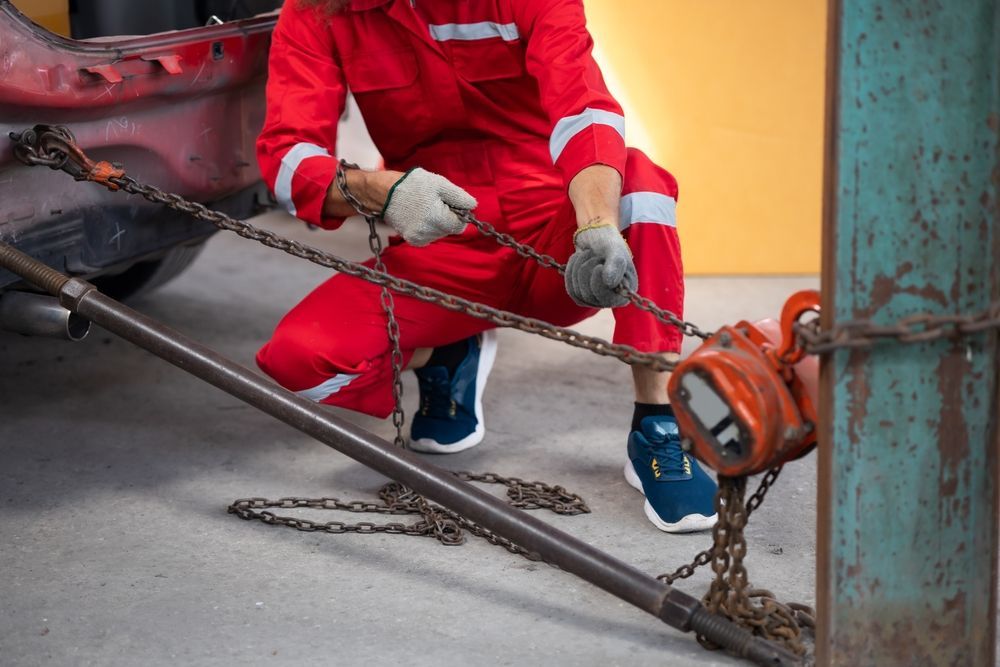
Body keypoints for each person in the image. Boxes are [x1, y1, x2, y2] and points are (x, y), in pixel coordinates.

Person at [255, 0, 717, 533]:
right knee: (298, 361)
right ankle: (446, 355)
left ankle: (657, 424)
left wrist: (596, 223)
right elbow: (286, 155)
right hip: (442, 244)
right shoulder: (318, 11)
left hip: (556, 239)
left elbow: (584, 109)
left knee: (641, 182)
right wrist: (383, 191)